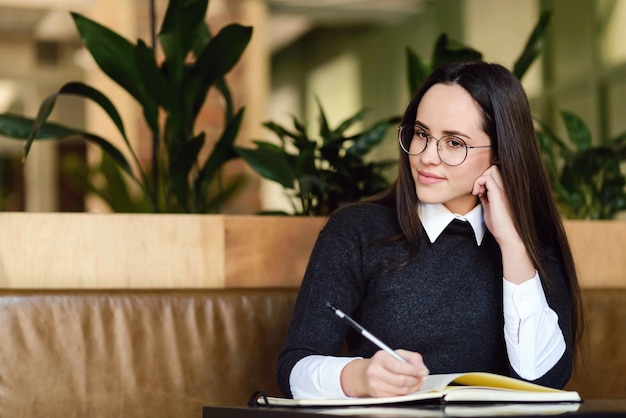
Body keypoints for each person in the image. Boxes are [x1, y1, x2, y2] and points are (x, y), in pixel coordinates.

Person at [276, 60, 584, 400]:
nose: (426, 156)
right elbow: (293, 368)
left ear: (500, 154)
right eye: (422, 134)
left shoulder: (532, 247)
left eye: (453, 143)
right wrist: (356, 377)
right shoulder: (356, 231)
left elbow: (543, 382)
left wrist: (511, 242)